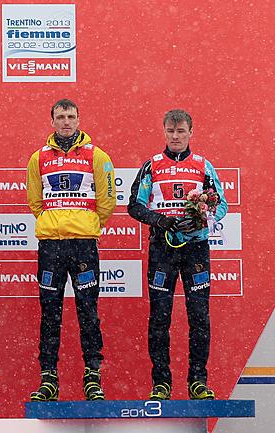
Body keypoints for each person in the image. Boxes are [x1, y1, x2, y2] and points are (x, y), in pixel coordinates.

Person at [128, 109, 227, 400]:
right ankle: (161, 383)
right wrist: (160, 220)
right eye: (171, 131)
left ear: (190, 132)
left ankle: (198, 381)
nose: (175, 136)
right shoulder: (152, 166)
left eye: (181, 131)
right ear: (164, 132)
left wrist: (201, 220)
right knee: (160, 318)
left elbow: (221, 205)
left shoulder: (203, 166)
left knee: (199, 317)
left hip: (196, 249)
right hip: (163, 249)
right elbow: (134, 205)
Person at [26, 99, 116, 401]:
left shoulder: (97, 156)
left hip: (83, 245)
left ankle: (92, 376)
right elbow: (35, 201)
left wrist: (87, 224)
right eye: (61, 116)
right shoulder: (38, 158)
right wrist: (54, 223)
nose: (66, 121)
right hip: (51, 245)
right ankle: (48, 379)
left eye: (71, 116)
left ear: (79, 120)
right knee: (49, 313)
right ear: (52, 121)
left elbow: (107, 200)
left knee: (88, 312)